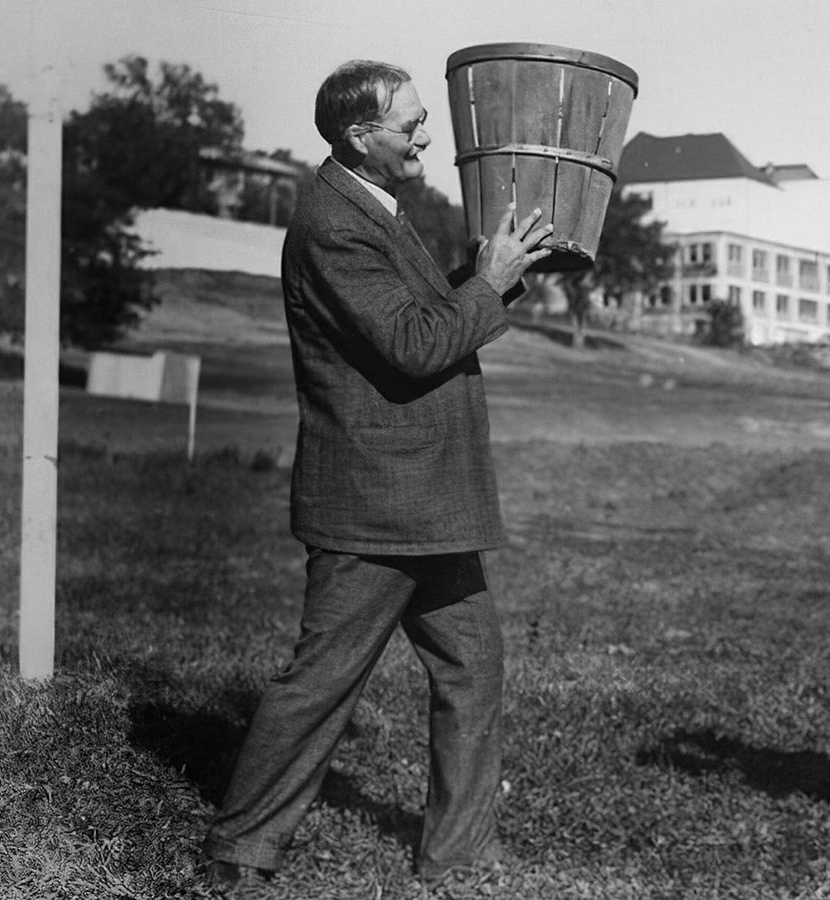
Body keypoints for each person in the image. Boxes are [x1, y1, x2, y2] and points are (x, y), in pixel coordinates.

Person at [202, 59, 552, 893]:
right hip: (376, 503)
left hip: (423, 500)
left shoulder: (374, 209)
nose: (428, 135)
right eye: (412, 124)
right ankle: (239, 854)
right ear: (361, 136)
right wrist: (490, 284)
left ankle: (457, 853)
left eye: (426, 119)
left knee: (474, 666)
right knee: (322, 682)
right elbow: (415, 346)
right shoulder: (335, 223)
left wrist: (491, 278)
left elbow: (424, 323)